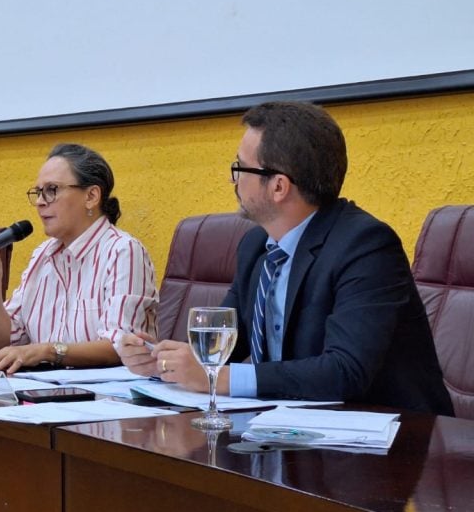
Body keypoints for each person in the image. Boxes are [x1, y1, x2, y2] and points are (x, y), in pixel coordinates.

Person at [118, 101, 453, 415]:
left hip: (392, 442)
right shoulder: (256, 246)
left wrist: (221, 380)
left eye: (239, 167)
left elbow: (346, 370)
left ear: (278, 186)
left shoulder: (365, 246)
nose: (232, 180)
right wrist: (164, 359)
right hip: (293, 428)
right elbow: (226, 343)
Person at [0, 142, 158, 373]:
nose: (40, 201)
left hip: (104, 398)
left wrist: (47, 351)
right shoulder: (42, 254)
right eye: (38, 192)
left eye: (52, 190)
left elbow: (120, 347)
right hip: (45, 390)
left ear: (91, 196)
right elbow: (6, 341)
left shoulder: (123, 251)